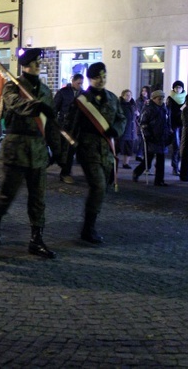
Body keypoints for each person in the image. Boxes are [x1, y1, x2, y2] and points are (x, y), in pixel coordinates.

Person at [0, 48, 62, 259]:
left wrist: (57, 149)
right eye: (35, 62)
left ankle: (36, 240)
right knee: (7, 193)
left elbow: (51, 123)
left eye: (40, 61)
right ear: (25, 65)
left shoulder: (46, 90)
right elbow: (14, 104)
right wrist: (36, 106)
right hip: (16, 147)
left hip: (37, 148)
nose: (39, 65)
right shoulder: (12, 86)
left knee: (38, 197)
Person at [65, 62, 125, 244]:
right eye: (98, 77)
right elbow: (71, 126)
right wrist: (66, 154)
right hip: (88, 149)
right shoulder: (82, 100)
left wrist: (116, 129)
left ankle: (90, 224)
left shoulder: (113, 98)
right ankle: (88, 229)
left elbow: (122, 118)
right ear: (90, 78)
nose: (102, 80)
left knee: (103, 188)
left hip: (106, 150)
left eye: (104, 76)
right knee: (98, 186)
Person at [132, 90, 172, 186]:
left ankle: (159, 180)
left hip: (161, 137)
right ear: (154, 99)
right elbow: (143, 123)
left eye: (162, 98)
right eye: (159, 98)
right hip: (152, 138)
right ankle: (137, 172)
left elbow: (167, 121)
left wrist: (169, 131)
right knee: (148, 160)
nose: (161, 100)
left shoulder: (164, 108)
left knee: (161, 160)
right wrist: (147, 135)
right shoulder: (148, 109)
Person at [53, 73, 83, 183]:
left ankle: (65, 172)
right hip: (63, 126)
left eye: (81, 83)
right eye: (78, 83)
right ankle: (54, 163)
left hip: (76, 126)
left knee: (70, 151)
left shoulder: (83, 94)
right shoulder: (63, 92)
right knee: (60, 150)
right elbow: (54, 108)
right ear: (73, 81)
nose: (80, 85)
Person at [166, 80, 186, 176]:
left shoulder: (185, 98)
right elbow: (168, 113)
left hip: (183, 125)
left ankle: (178, 166)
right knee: (176, 146)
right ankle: (175, 167)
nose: (178, 89)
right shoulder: (170, 98)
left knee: (181, 147)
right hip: (173, 125)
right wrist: (169, 126)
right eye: (176, 87)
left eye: (180, 87)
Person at [117, 89, 138, 169]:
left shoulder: (132, 105)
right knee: (118, 147)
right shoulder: (120, 105)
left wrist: (137, 114)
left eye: (130, 95)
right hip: (123, 130)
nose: (129, 97)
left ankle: (126, 163)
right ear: (123, 96)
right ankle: (114, 161)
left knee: (129, 148)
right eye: (127, 95)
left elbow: (135, 116)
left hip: (131, 130)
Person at [135, 85, 151, 161]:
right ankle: (139, 154)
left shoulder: (150, 101)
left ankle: (142, 154)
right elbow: (139, 111)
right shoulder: (139, 101)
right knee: (141, 138)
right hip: (140, 121)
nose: (144, 92)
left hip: (148, 122)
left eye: (145, 91)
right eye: (142, 91)